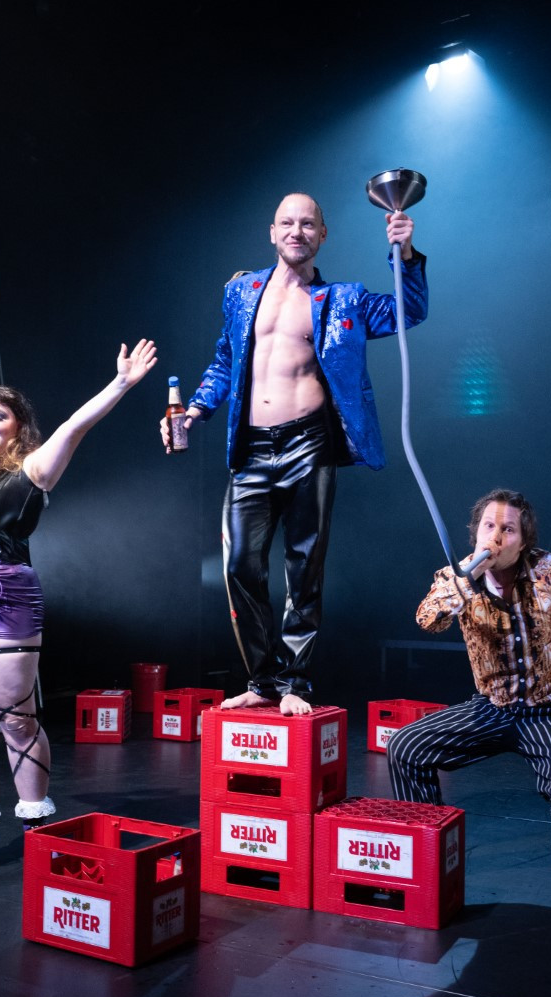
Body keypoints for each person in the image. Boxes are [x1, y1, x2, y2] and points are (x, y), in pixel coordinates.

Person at [160, 192, 428, 715]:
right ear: (272, 231)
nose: (297, 232)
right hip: (252, 448)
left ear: (322, 234)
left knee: (304, 567)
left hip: (310, 443)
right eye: (287, 223)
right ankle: (262, 680)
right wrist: (194, 411)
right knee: (240, 565)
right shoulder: (241, 292)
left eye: (308, 224)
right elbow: (225, 361)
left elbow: (409, 310)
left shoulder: (344, 299)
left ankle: (295, 684)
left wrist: (406, 253)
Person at [0, 334, 158, 877]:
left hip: (5, 600)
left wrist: (120, 383)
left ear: (18, 426)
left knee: (16, 720)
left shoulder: (34, 471)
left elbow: (75, 425)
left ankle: (39, 827)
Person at [386, 488, 551, 903]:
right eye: (488, 526)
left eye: (508, 529)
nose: (495, 537)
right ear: (475, 532)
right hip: (492, 707)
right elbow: (428, 620)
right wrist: (464, 582)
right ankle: (427, 861)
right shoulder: (455, 577)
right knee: (405, 747)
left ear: (524, 539)